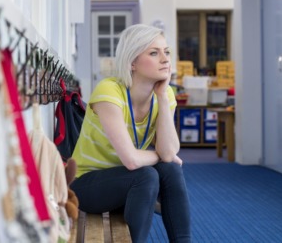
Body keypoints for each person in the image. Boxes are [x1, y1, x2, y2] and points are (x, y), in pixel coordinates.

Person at [70, 24, 191, 242]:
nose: (165, 59)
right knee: (146, 174)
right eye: (154, 53)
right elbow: (132, 161)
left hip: (128, 183)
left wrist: (163, 98)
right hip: (87, 185)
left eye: (166, 52)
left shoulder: (166, 95)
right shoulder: (109, 91)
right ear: (132, 62)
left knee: (170, 170)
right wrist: (160, 156)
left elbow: (170, 151)